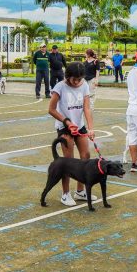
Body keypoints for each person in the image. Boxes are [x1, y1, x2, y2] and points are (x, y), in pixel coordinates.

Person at [48, 62, 97, 206]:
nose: (77, 82)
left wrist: (91, 128)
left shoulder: (84, 85)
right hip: (65, 126)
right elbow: (51, 109)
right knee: (68, 161)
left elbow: (86, 108)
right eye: (74, 79)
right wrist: (67, 122)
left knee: (85, 157)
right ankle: (65, 194)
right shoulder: (60, 87)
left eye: (79, 79)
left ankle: (80, 191)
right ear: (68, 76)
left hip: (79, 125)